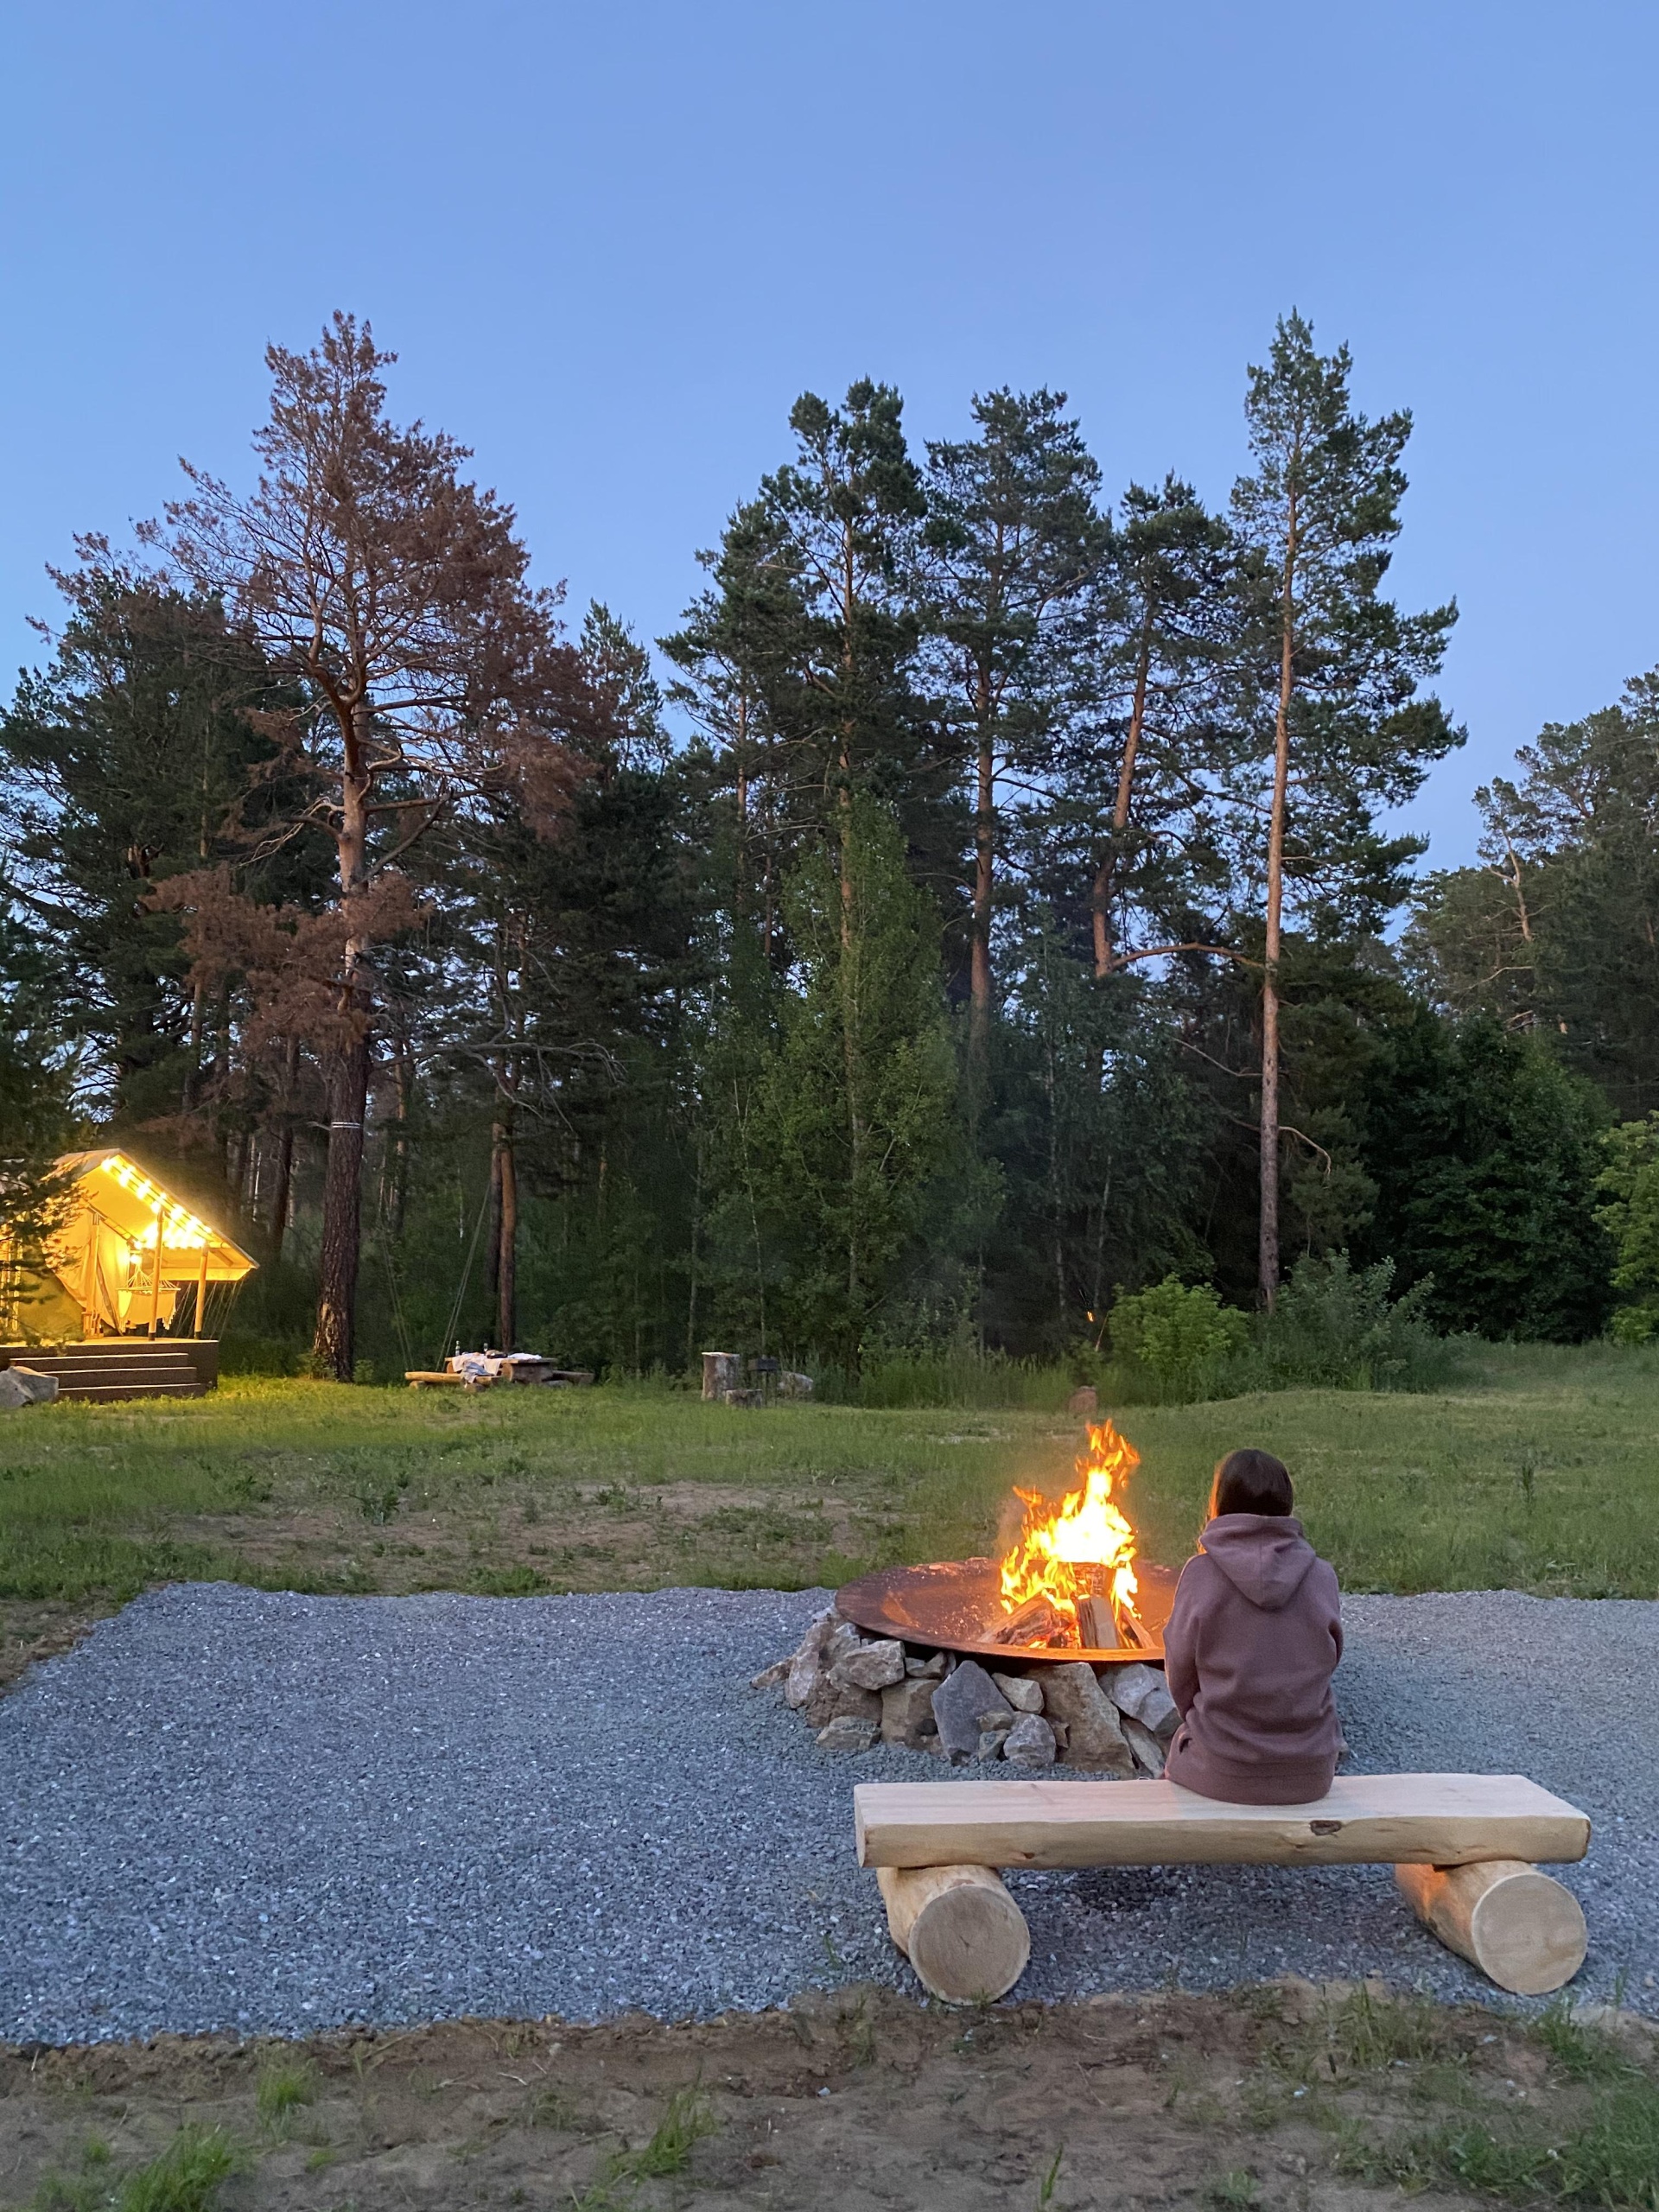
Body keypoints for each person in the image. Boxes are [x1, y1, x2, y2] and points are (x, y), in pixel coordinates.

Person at [1161, 1447, 1343, 1806]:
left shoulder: (1200, 1574)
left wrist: (1204, 1721)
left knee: (1176, 1757)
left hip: (1224, 1770)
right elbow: (1329, 1660)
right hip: (1311, 1772)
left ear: (1220, 1504)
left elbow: (1179, 1675)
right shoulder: (1322, 1575)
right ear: (1286, 1504)